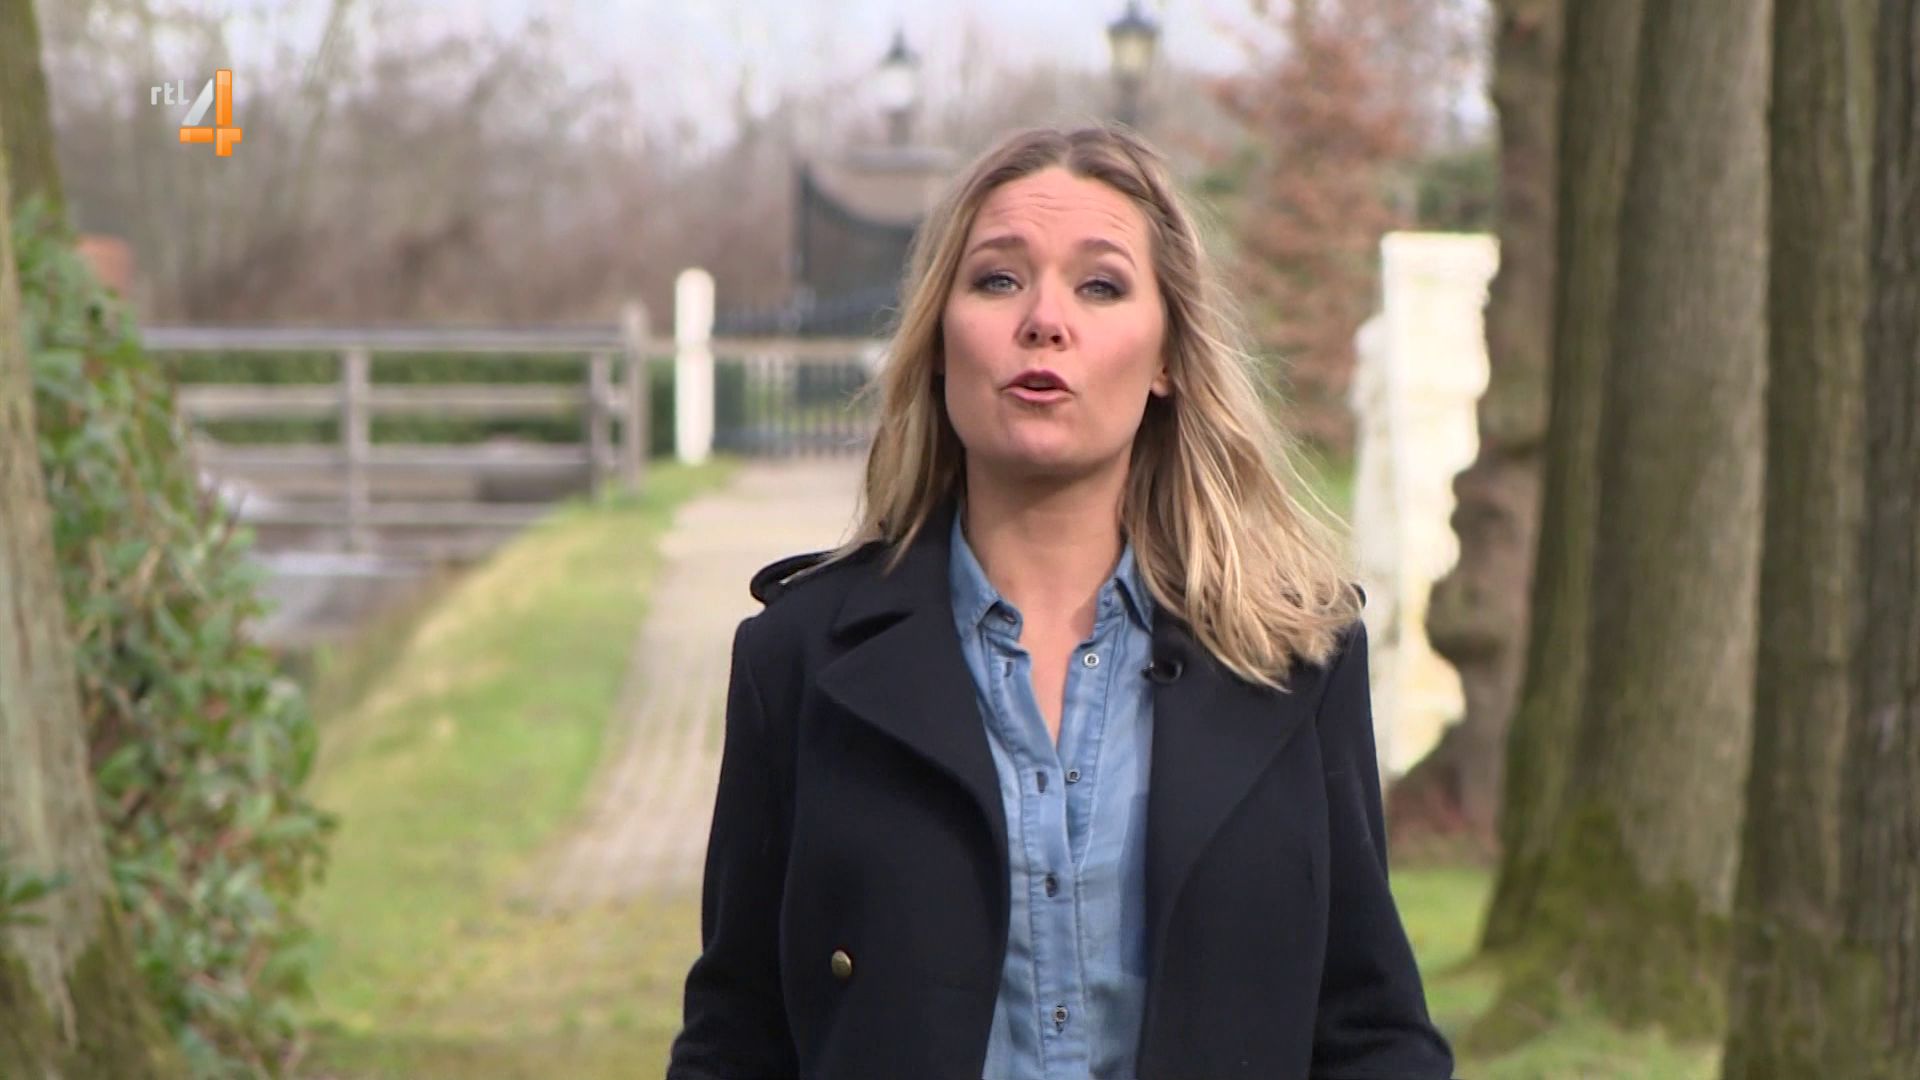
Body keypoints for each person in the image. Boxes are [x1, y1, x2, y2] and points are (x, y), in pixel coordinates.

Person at [665, 125, 1454, 1080]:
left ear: (1167, 358)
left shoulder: (1295, 654)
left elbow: (1373, 1032)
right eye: (998, 280)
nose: (1044, 320)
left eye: (1101, 286)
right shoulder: (797, 659)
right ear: (938, 342)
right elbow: (735, 1040)